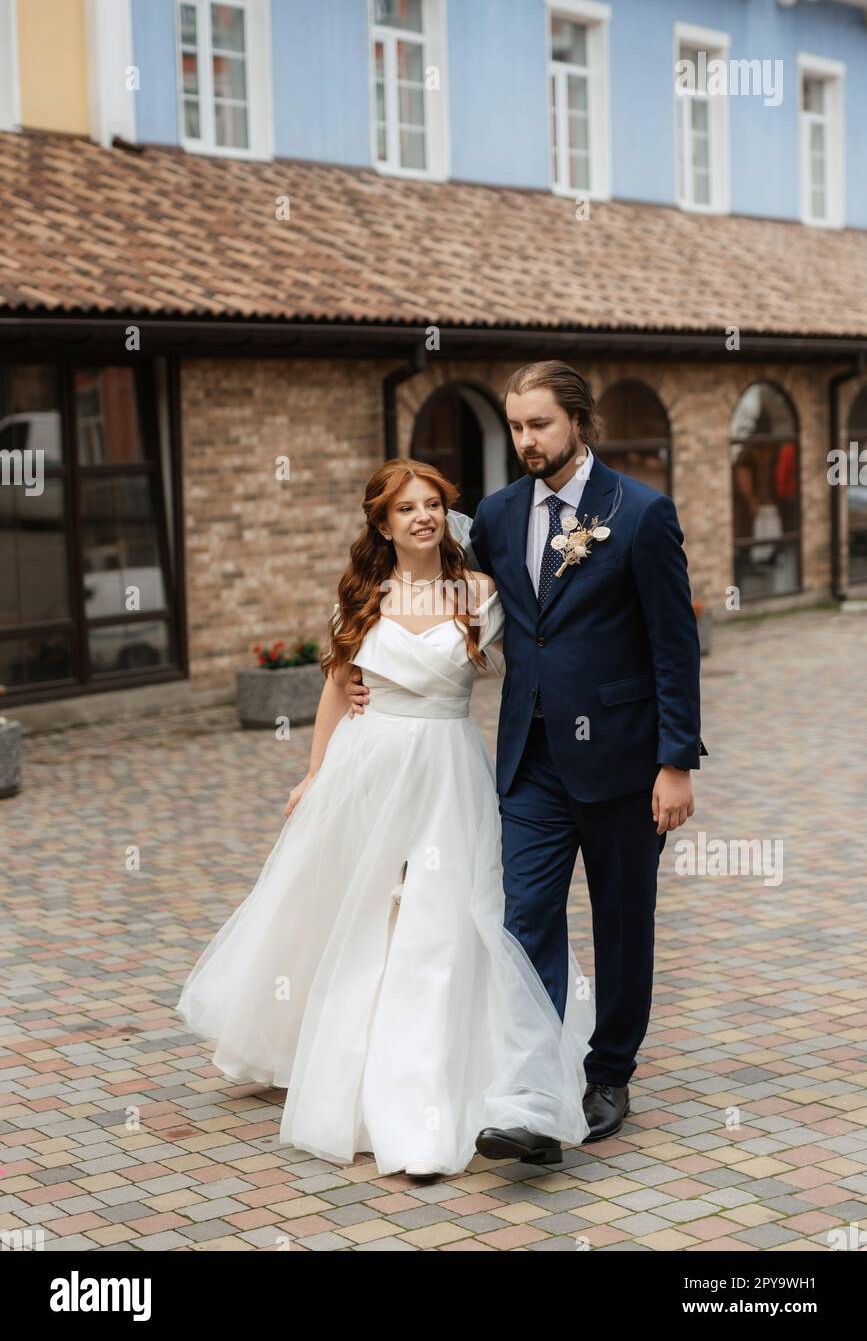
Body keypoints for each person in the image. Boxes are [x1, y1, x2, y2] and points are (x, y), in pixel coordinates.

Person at [176, 456, 594, 1181]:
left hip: (447, 769)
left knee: (440, 918)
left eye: (432, 503)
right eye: (405, 509)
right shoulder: (360, 596)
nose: (422, 516)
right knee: (360, 912)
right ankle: (328, 1053)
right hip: (367, 767)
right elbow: (339, 691)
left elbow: (543, 662)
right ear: (382, 522)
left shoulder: (480, 594)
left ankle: (426, 1098)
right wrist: (313, 773)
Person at [346, 361, 707, 1159]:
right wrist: (371, 675)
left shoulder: (641, 515)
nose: (525, 440)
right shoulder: (500, 517)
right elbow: (412, 560)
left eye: (539, 424)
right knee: (522, 921)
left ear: (578, 422)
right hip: (529, 763)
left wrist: (674, 761)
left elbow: (672, 649)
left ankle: (608, 1072)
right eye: (514, 426)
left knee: (620, 925)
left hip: (622, 761)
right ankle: (531, 1096)